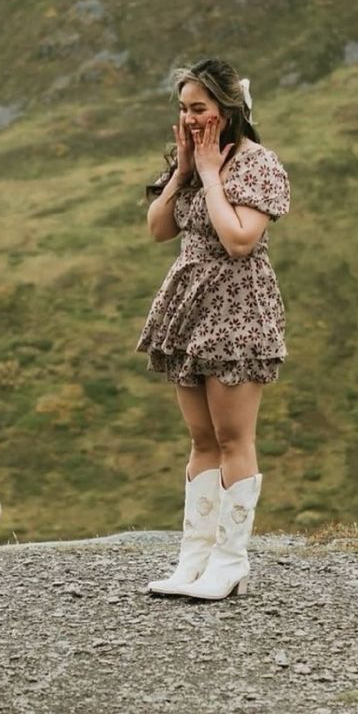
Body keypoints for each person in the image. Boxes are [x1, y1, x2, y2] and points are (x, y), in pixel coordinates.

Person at [136, 59, 289, 600]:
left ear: (227, 109)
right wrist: (182, 171)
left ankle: (230, 562)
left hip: (238, 309)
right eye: (183, 108)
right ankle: (193, 560)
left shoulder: (257, 164)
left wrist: (208, 176)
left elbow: (239, 240)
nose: (189, 118)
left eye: (198, 108)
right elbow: (159, 229)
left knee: (232, 438)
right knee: (201, 439)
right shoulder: (189, 159)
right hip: (190, 308)